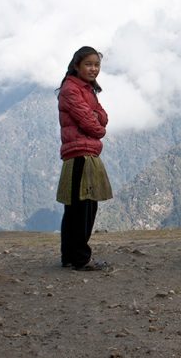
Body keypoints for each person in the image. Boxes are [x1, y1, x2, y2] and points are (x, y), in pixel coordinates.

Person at [56, 46, 113, 271]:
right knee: (84, 208)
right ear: (76, 65)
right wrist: (97, 123)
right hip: (81, 154)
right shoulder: (72, 90)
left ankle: (69, 255)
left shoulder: (86, 89)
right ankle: (81, 257)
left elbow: (103, 117)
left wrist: (96, 119)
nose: (93, 69)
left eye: (96, 65)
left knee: (76, 208)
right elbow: (95, 126)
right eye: (88, 64)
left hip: (80, 153)